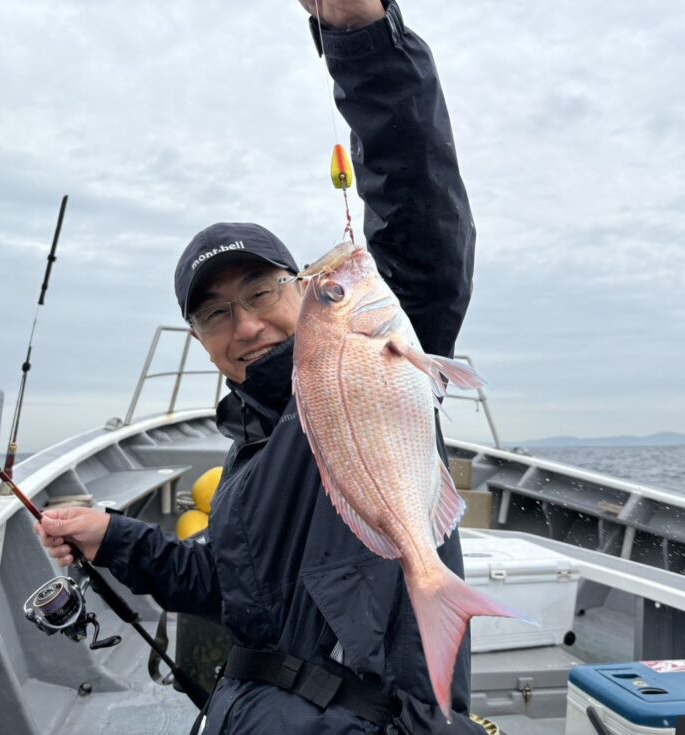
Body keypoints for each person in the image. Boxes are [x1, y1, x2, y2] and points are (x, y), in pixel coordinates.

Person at [36, 1, 479, 732]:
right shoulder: (246, 455)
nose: (244, 325)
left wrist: (363, 38)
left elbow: (419, 217)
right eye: (215, 314)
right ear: (201, 341)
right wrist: (112, 536)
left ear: (302, 290)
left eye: (261, 292)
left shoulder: (363, 363)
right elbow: (235, 588)